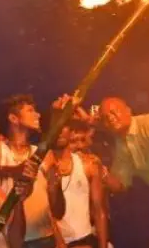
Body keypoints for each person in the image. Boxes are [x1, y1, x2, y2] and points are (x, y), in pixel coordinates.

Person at [0, 96, 65, 248]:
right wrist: (12, 171)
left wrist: (55, 185)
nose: (38, 115)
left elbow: (58, 212)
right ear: (13, 118)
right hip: (13, 242)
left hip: (45, 239)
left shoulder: (43, 154)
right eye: (30, 110)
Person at [46, 99, 108, 248]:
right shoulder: (41, 166)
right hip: (50, 243)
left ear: (71, 131)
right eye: (54, 127)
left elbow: (99, 210)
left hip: (84, 242)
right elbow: (45, 212)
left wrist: (103, 245)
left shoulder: (89, 164)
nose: (59, 132)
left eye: (63, 127)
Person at [95, 99, 149, 195]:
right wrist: (101, 172)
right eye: (105, 117)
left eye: (113, 112)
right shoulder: (121, 146)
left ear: (128, 110)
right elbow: (120, 185)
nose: (110, 118)